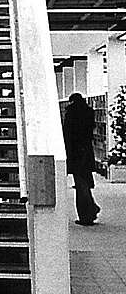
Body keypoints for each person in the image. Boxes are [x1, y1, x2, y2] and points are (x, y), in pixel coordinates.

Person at [63, 92, 101, 225]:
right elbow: (91, 131)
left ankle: (86, 214)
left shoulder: (71, 114)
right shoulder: (89, 112)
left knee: (80, 185)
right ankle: (91, 208)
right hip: (86, 151)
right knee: (84, 181)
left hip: (75, 153)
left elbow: (67, 135)